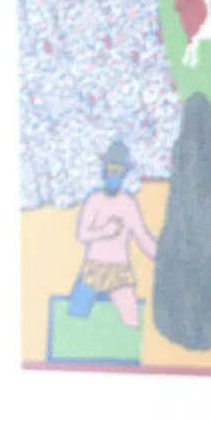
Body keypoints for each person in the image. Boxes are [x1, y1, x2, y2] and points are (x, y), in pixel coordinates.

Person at [69, 139, 158, 328]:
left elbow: (142, 236)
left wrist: (163, 257)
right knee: (74, 317)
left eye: (118, 172)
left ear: (124, 174)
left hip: (119, 271)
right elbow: (82, 234)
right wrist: (105, 231)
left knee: (132, 322)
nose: (113, 177)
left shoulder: (128, 203)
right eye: (111, 171)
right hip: (93, 269)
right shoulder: (94, 200)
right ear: (104, 172)